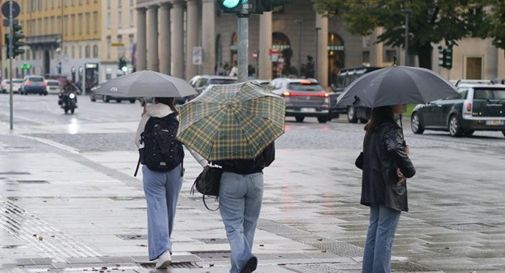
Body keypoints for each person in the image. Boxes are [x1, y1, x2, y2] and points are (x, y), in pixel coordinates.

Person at [134, 97, 206, 269]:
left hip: (152, 171)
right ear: (171, 98)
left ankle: (163, 250)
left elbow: (137, 140)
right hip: (174, 170)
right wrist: (204, 164)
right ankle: (165, 246)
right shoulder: (177, 116)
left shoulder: (148, 114)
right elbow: (189, 143)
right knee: (169, 209)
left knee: (156, 209)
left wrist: (146, 153)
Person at [355, 105, 416, 273]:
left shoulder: (371, 128)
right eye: (399, 101)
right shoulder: (391, 128)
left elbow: (368, 158)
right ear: (389, 106)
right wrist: (408, 168)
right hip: (389, 187)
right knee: (385, 235)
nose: (403, 103)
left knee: (374, 232)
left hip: (373, 187)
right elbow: (395, 149)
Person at [214, 142, 275, 273]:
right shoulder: (261, 124)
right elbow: (269, 157)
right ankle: (238, 269)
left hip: (231, 178)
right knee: (249, 225)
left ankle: (244, 258)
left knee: (233, 226)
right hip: (255, 178)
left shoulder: (224, 125)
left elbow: (214, 158)